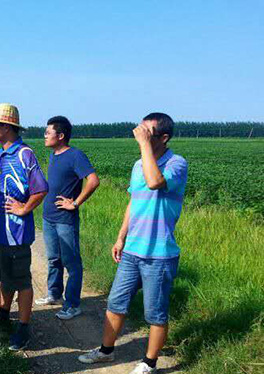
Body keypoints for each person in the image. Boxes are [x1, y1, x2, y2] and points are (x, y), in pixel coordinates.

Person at [78, 113, 188, 374]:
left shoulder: (177, 163)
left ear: (164, 137)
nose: (140, 135)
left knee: (155, 313)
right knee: (115, 303)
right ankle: (106, 351)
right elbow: (133, 201)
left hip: (159, 254)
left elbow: (155, 183)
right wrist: (121, 236)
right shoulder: (139, 164)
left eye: (147, 132)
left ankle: (149, 363)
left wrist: (144, 145)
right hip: (132, 251)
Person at [0, 103, 48, 351]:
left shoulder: (24, 154)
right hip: (1, 231)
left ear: (8, 128)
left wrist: (23, 208)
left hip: (17, 233)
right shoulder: (4, 153)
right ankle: (2, 315)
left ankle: (23, 328)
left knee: (21, 280)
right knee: (4, 275)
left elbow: (41, 188)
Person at [35, 116, 100, 320]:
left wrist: (75, 203)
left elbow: (93, 180)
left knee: (71, 262)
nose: (44, 135)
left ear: (61, 135)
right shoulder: (54, 154)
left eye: (48, 132)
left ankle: (72, 304)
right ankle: (54, 294)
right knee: (53, 259)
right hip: (49, 217)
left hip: (65, 218)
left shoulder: (75, 156)